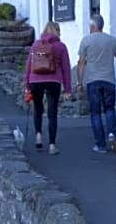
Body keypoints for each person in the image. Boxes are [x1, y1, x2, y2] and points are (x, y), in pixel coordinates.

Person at [76, 13, 116, 153]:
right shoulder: (112, 41)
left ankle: (100, 145)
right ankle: (112, 134)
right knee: (109, 109)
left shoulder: (86, 41)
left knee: (96, 112)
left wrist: (79, 82)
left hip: (93, 81)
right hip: (109, 80)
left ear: (92, 26)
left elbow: (81, 63)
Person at [24, 21, 72, 155]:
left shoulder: (35, 45)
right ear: (57, 31)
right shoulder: (61, 46)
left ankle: (38, 135)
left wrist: (27, 85)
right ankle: (52, 145)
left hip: (35, 80)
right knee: (52, 113)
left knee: (38, 109)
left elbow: (29, 66)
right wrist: (68, 89)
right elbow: (66, 69)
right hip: (53, 81)